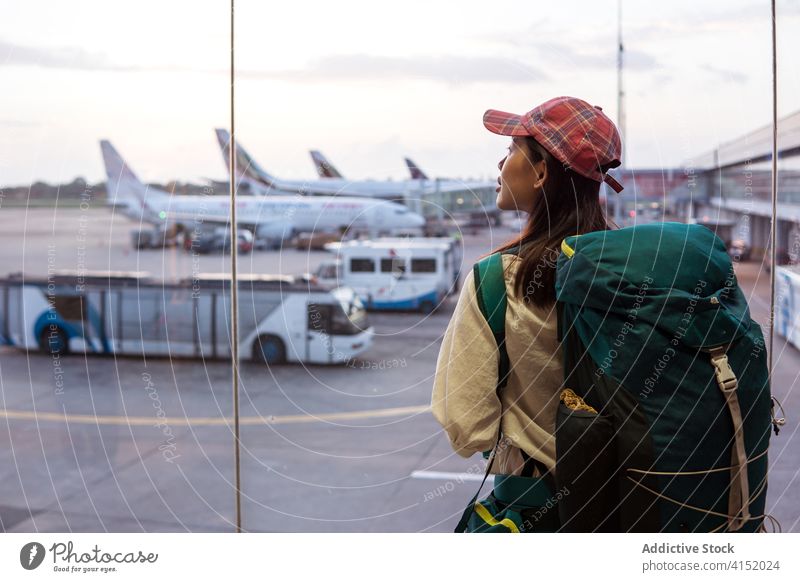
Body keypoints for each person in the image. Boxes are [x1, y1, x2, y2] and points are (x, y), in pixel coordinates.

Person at [430, 96, 624, 527]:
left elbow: (467, 425)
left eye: (510, 151)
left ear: (540, 173)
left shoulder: (498, 279)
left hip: (542, 512)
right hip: (635, 510)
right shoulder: (635, 268)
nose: (499, 167)